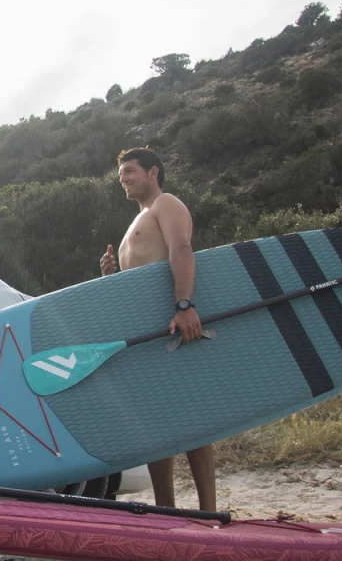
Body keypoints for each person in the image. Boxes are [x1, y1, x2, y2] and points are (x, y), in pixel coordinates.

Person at [99, 146, 216, 512]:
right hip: (147, 335)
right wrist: (110, 275)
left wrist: (184, 305)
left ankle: (208, 512)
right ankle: (166, 511)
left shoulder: (166, 204)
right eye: (121, 176)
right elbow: (138, 286)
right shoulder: (135, 223)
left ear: (153, 172)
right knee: (155, 426)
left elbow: (181, 248)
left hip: (173, 326)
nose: (124, 180)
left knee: (194, 419)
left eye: (130, 172)